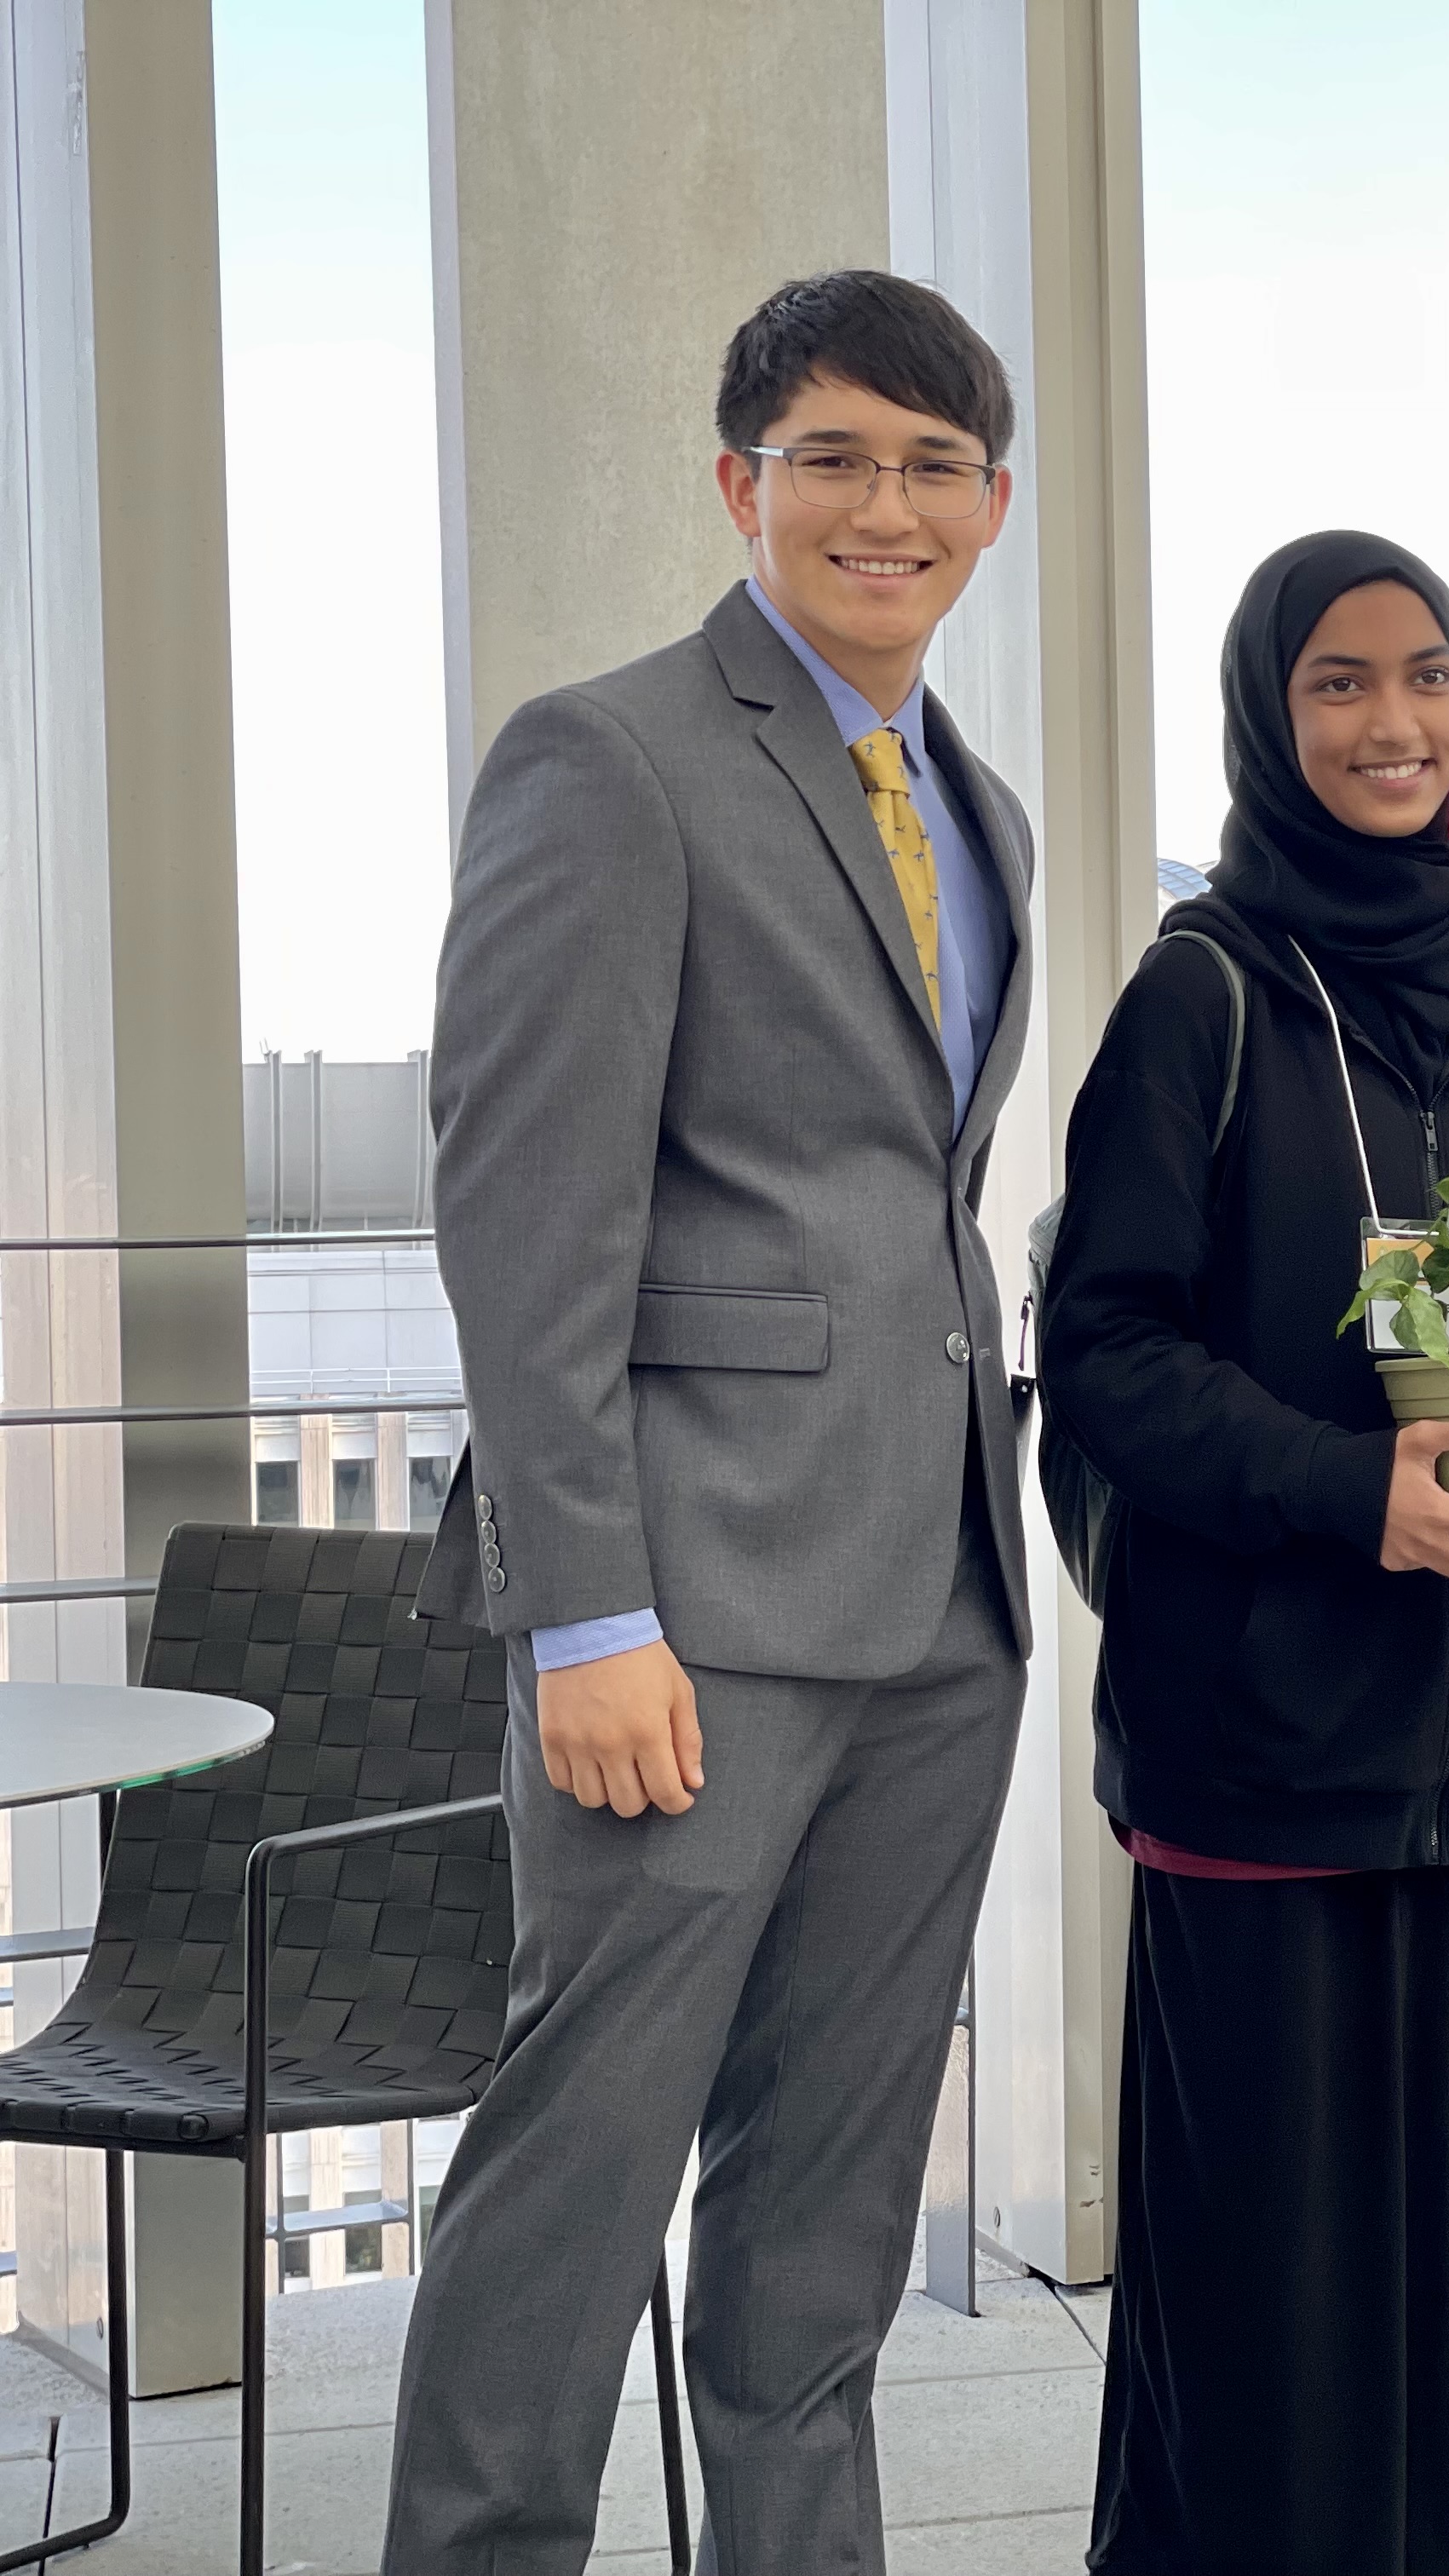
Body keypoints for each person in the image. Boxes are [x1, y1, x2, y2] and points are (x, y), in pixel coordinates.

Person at [384, 272, 1034, 2572]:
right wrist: (587, 1618)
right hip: (691, 1614)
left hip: (943, 1605)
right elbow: (523, 1219)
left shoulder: (983, 810)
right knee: (575, 2192)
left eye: (936, 465)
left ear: (991, 505)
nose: (888, 506)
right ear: (741, 483)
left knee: (826, 2226)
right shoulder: (614, 755)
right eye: (836, 457)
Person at [1042, 531, 1449, 2576]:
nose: (1393, 724)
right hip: (1266, 1740)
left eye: (1423, 676)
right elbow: (1107, 1354)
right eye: (1338, 683)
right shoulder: (1200, 994)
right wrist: (1350, 1494)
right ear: (1267, 711)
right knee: (1263, 2314)